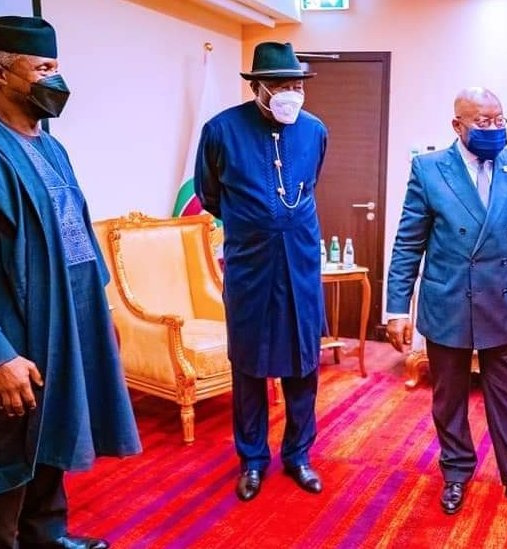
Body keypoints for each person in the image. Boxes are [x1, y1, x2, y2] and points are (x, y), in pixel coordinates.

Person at [0, 15, 142, 548]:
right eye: (43, 69)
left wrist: (103, 312)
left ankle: (48, 536)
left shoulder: (50, 144)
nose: (55, 82)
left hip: (68, 327)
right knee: (6, 454)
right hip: (13, 342)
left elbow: (77, 235)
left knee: (53, 433)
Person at [385, 87, 507, 520]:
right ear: (457, 125)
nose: (494, 128)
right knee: (449, 399)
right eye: (483, 122)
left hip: (506, 301)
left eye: (499, 120)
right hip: (448, 302)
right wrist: (396, 308)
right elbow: (408, 244)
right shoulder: (428, 169)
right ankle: (456, 472)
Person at [195, 42, 328, 502]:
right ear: (257, 88)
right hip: (250, 268)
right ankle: (252, 459)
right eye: (280, 85)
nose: (291, 92)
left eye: (296, 85)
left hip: (302, 267)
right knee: (249, 368)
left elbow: (311, 183)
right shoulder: (221, 130)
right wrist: (254, 223)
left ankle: (299, 455)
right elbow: (209, 194)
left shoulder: (315, 131)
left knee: (303, 367)